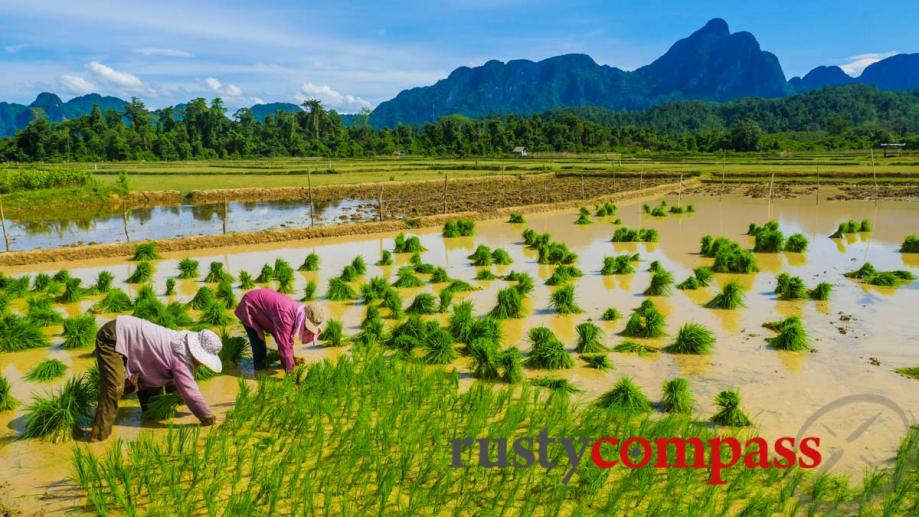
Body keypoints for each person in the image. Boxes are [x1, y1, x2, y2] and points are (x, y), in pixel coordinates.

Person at [90, 315, 223, 442]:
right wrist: (208, 419)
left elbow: (178, 383)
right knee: (114, 387)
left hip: (132, 339)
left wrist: (177, 398)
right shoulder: (181, 356)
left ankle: (148, 418)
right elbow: (190, 392)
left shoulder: (183, 345)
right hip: (111, 336)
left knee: (153, 389)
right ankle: (98, 436)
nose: (201, 363)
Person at [234, 288, 327, 373]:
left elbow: (289, 339)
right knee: (259, 343)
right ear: (305, 318)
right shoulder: (286, 316)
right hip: (250, 306)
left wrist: (292, 359)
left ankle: (286, 363)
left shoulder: (297, 312)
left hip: (267, 312)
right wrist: (290, 372)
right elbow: (284, 345)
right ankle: (259, 370)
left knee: (284, 341)